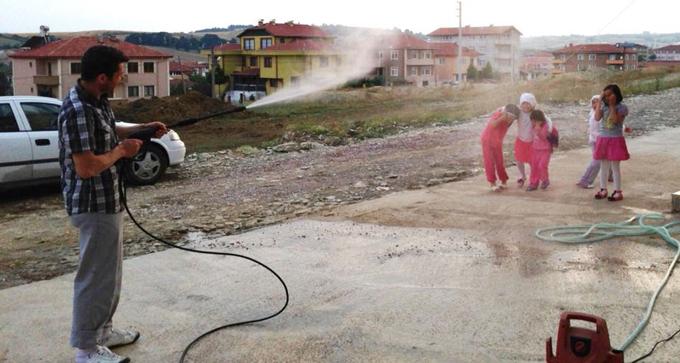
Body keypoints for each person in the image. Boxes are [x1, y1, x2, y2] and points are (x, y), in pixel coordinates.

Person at [58, 45, 168, 363]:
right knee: (94, 276)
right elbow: (86, 166)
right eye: (120, 74)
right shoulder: (77, 108)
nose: (123, 78)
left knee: (110, 274)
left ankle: (102, 332)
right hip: (92, 205)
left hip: (108, 200)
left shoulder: (96, 99)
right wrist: (123, 151)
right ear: (103, 77)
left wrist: (142, 129)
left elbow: (110, 129)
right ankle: (86, 350)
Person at [593, 84, 629, 201]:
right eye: (606, 95)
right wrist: (599, 101)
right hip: (603, 138)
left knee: (615, 167)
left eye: (610, 95)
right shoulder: (603, 107)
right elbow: (597, 118)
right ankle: (603, 189)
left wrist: (613, 106)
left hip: (615, 139)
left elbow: (615, 120)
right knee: (603, 166)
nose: (607, 98)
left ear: (616, 95)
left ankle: (618, 191)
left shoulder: (622, 108)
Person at [480, 104, 521, 191]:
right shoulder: (499, 114)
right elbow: (493, 125)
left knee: (499, 162)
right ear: (505, 113)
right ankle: (492, 183)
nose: (510, 119)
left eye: (513, 117)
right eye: (509, 116)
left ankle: (504, 181)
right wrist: (502, 117)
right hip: (487, 140)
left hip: (497, 141)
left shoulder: (511, 119)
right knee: (489, 162)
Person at [576, 95, 603, 188]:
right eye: (593, 102)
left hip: (599, 141)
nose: (595, 104)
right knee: (597, 162)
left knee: (598, 161)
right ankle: (586, 181)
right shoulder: (593, 114)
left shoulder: (600, 113)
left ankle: (584, 179)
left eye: (597, 102)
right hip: (597, 141)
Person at [526, 109, 553, 191]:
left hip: (545, 150)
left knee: (542, 165)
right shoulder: (532, 125)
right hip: (535, 149)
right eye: (532, 121)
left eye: (535, 121)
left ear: (540, 120)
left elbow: (543, 138)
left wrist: (538, 129)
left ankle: (545, 179)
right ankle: (533, 183)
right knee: (534, 167)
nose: (533, 123)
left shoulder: (545, 126)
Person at [515, 93, 537, 187]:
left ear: (532, 104)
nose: (526, 105)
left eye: (528, 103)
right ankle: (522, 176)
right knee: (519, 160)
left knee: (532, 162)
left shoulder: (535, 113)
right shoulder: (519, 113)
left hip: (532, 142)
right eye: (523, 103)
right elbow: (508, 110)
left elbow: (546, 120)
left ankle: (534, 178)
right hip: (520, 140)